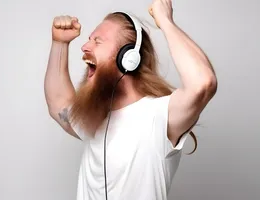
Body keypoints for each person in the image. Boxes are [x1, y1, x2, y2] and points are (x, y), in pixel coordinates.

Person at [44, 0, 217, 199]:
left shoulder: (159, 116)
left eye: (97, 41)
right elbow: (58, 102)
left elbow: (203, 83)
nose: (84, 46)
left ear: (128, 58)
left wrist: (166, 22)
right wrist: (59, 43)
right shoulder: (94, 119)